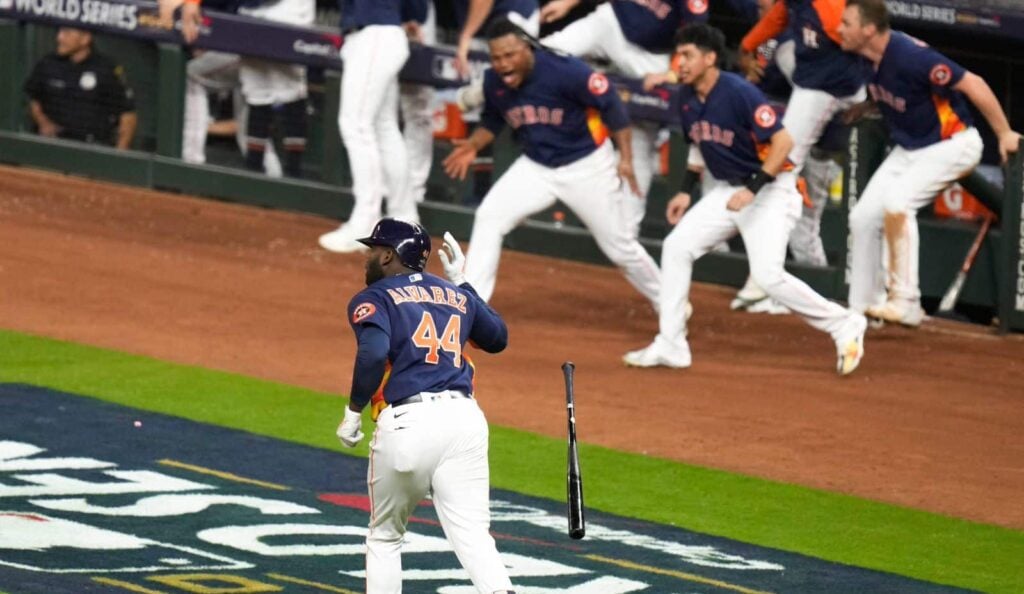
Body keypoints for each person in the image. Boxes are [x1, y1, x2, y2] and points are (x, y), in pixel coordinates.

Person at [622, 24, 867, 375]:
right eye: (679, 55)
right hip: (730, 191)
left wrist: (753, 189)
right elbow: (698, 144)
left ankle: (844, 323)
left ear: (710, 59)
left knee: (768, 276)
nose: (681, 62)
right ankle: (671, 344)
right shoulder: (687, 97)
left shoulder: (738, 91)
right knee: (676, 247)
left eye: (689, 55)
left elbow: (783, 144)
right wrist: (683, 191)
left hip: (771, 190)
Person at [335, 217, 517, 594]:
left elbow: (373, 354)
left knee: (385, 537)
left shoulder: (375, 297)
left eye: (372, 250)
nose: (367, 257)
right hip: (465, 421)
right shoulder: (456, 294)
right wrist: (461, 283)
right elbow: (497, 338)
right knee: (474, 536)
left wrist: (353, 412)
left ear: (388, 256)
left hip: (409, 423)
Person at [442, 19, 661, 306]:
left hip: (587, 165)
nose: (503, 63)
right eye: (496, 57)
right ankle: (473, 307)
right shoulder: (495, 80)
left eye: (510, 55)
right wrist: (473, 144)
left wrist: (627, 159)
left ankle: (669, 302)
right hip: (536, 167)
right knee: (489, 217)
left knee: (620, 248)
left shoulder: (565, 71)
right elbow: (493, 120)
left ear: (528, 48)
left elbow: (612, 104)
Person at [839, 0, 1021, 326]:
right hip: (911, 147)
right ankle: (863, 309)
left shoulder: (911, 56)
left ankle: (906, 301)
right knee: (863, 218)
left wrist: (1004, 132)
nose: (840, 28)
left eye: (847, 23)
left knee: (898, 203)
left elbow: (973, 83)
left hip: (954, 144)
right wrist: (865, 108)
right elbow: (897, 95)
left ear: (868, 30)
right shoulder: (863, 59)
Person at [729, 0, 865, 312]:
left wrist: (867, 86)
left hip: (826, 115)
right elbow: (774, 20)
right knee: (797, 213)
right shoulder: (781, 41)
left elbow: (856, 39)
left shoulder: (821, 16)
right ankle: (784, 286)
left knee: (784, 174)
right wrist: (749, 46)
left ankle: (767, 280)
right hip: (808, 107)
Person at [538, 0, 710, 204]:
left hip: (652, 56)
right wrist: (568, 2)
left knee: (641, 142)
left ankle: (627, 228)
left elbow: (698, 33)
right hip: (611, 22)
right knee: (545, 53)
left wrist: (673, 73)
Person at [159, 0, 310, 178]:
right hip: (250, 19)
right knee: (257, 95)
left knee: (286, 91)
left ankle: (192, 166)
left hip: (280, 18)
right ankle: (268, 177)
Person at [319, 0, 418, 253]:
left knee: (356, 124)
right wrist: (413, 16)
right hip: (381, 33)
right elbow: (418, 8)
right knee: (383, 127)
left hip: (374, 34)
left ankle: (366, 223)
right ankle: (405, 219)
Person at [24, 27, 137, 150]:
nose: (59, 38)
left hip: (93, 147)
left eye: (67, 33)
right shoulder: (48, 63)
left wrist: (120, 151)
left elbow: (127, 113)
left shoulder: (105, 69)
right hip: (53, 144)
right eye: (59, 32)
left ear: (85, 39)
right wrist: (43, 123)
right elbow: (33, 98)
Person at [399, 0, 436, 206]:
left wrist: (413, 16)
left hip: (416, 12)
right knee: (376, 108)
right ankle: (380, 186)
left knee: (418, 107)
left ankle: (413, 191)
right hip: (378, 14)